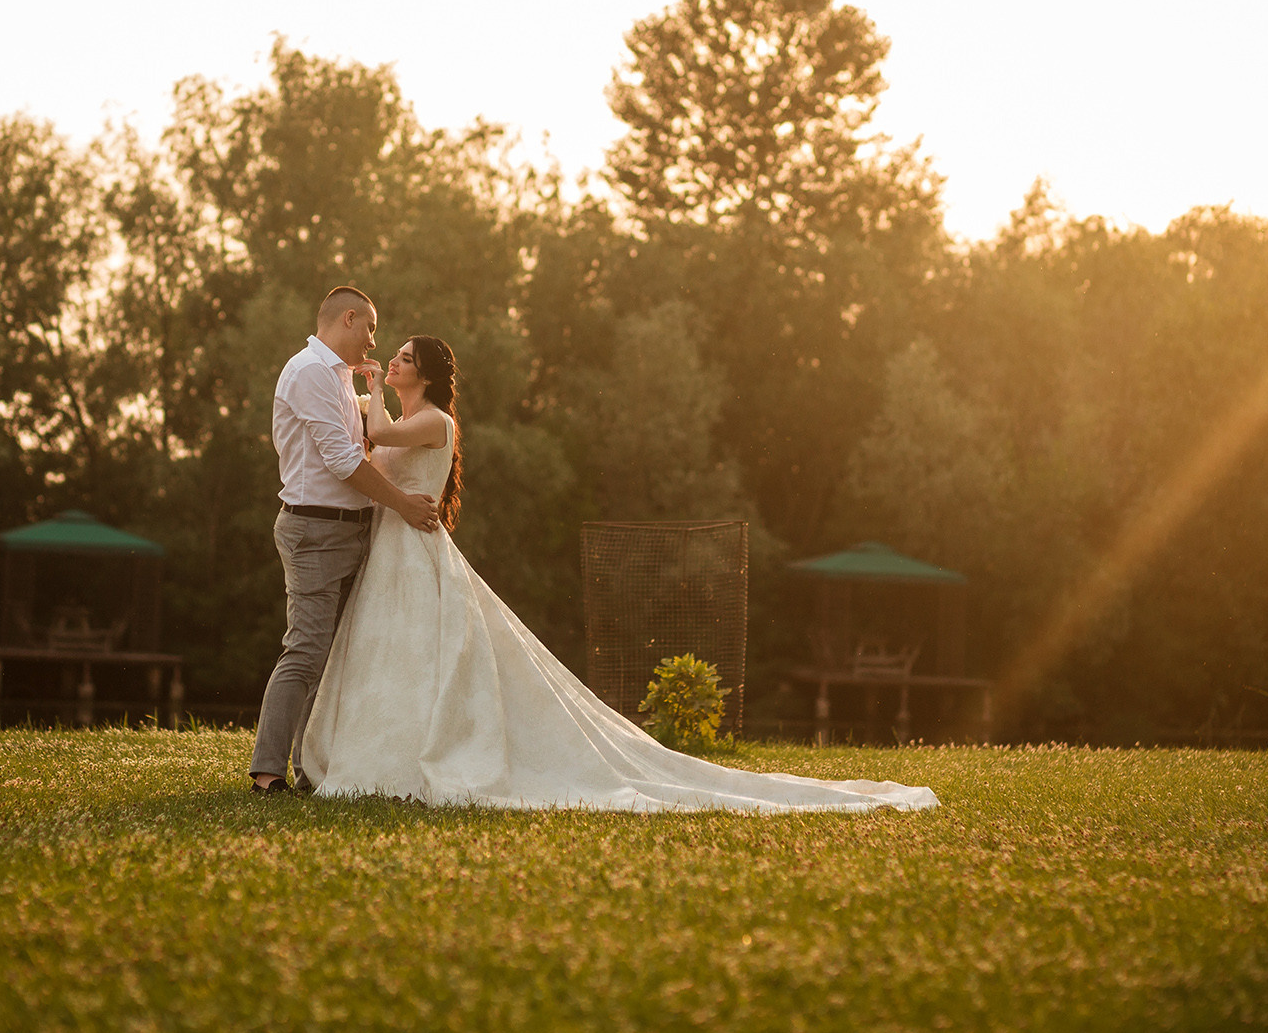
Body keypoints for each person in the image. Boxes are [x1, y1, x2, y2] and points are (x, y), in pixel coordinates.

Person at [296, 334, 939, 813]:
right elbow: (367, 434)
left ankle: (417, 757)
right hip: (392, 547)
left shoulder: (434, 420)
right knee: (387, 655)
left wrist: (370, 385)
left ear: (427, 374)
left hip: (414, 550)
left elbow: (376, 433)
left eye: (407, 356)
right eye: (398, 354)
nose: (398, 360)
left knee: (419, 653)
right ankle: (377, 750)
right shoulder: (411, 416)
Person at [250, 286, 438, 794]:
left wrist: (377, 390)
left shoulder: (333, 376)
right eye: (371, 329)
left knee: (335, 659)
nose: (374, 341)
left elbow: (368, 434)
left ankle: (312, 769)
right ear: (348, 319)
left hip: (352, 529)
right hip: (314, 528)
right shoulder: (309, 372)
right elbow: (341, 461)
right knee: (307, 651)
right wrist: (402, 502)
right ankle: (268, 774)